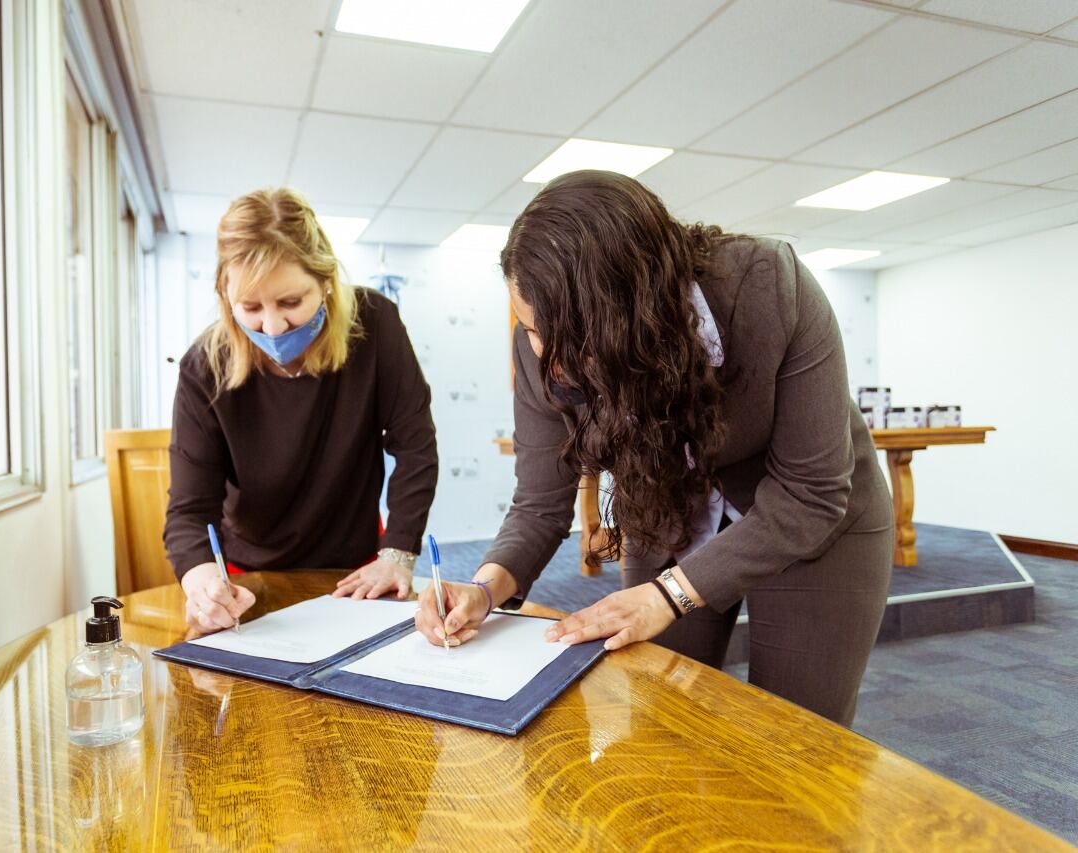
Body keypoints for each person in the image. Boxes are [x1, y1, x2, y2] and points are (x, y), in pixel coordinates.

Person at [416, 170, 893, 726]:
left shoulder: (770, 286)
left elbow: (811, 492)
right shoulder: (541, 345)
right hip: (666, 508)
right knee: (658, 718)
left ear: (633, 312)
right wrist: (484, 588)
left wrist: (667, 596)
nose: (550, 358)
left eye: (568, 337)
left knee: (795, 734)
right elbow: (540, 501)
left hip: (815, 520)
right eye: (529, 329)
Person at [165, 188, 439, 634]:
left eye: (291, 302)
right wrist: (201, 581)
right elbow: (189, 511)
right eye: (250, 308)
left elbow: (416, 449)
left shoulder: (376, 325)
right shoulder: (205, 365)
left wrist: (398, 554)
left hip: (356, 569)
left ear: (326, 280)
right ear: (224, 293)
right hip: (248, 573)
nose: (272, 327)